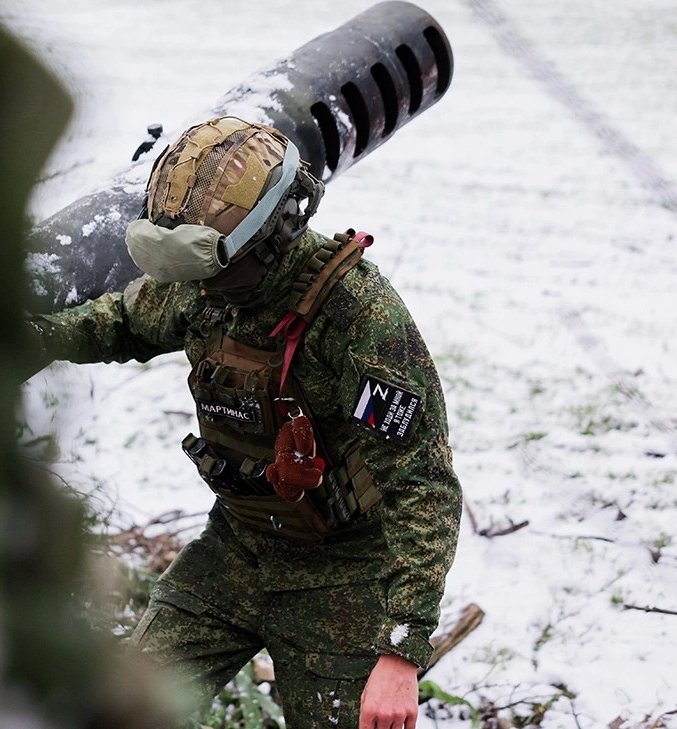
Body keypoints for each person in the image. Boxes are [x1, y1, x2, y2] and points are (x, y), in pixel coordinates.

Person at [28, 117, 462, 729]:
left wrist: (403, 648)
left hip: (344, 574)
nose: (196, 289)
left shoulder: (358, 318)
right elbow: (119, 322)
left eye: (210, 271)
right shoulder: (202, 286)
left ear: (272, 238)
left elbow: (423, 484)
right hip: (237, 547)